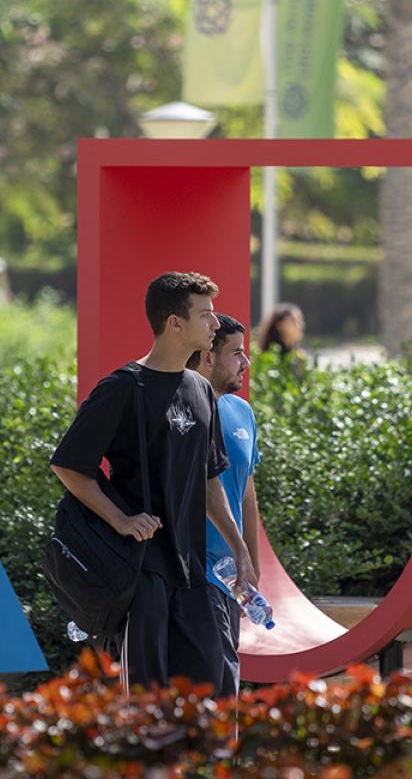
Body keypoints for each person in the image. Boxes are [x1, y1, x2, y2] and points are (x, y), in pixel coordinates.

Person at [49, 271, 258, 691]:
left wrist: (240, 549)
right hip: (140, 573)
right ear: (174, 323)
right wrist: (121, 519)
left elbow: (209, 479)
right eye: (206, 315)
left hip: (192, 570)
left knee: (206, 690)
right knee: (146, 699)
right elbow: (69, 465)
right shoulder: (124, 388)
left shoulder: (200, 390)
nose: (215, 325)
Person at [187, 313, 260, 698]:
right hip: (192, 574)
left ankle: (219, 758)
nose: (245, 363)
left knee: (225, 684)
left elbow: (247, 494)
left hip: (232, 576)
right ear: (208, 358)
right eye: (236, 353)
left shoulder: (242, 411)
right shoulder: (181, 411)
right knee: (214, 689)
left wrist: (252, 563)